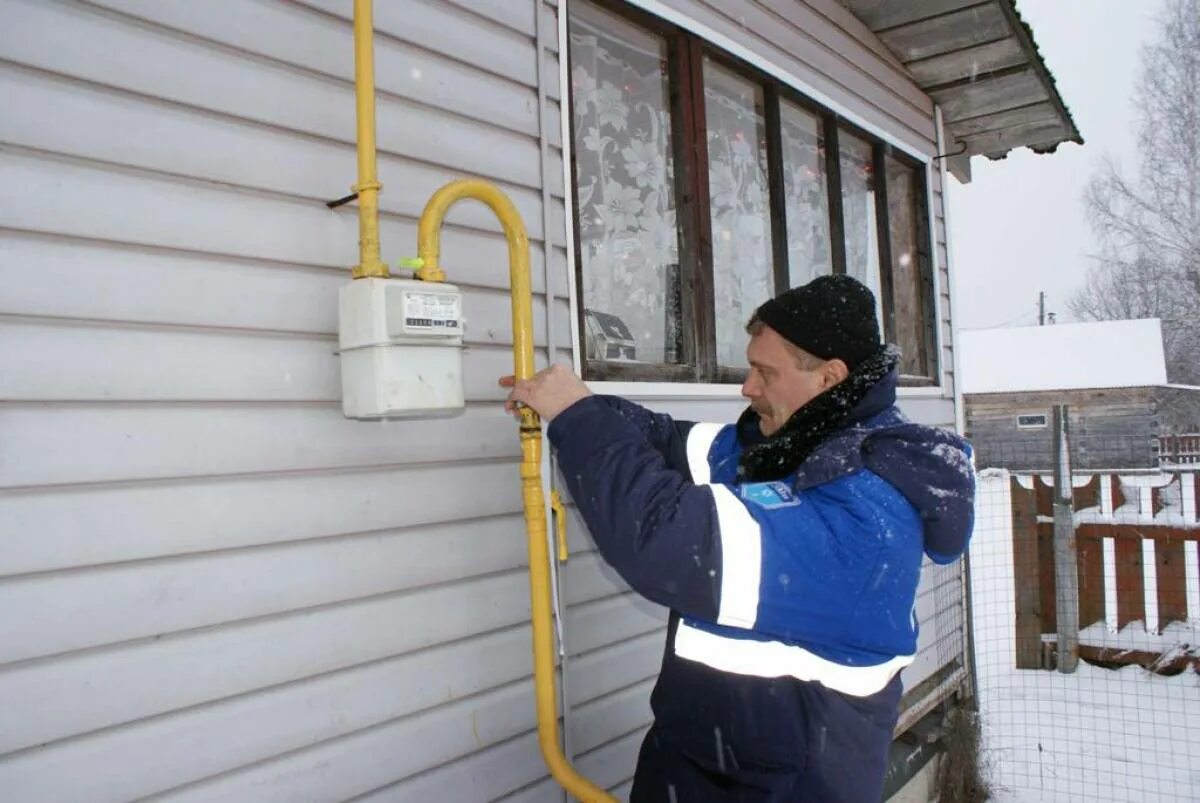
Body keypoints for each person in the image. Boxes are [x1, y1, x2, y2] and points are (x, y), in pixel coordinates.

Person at [501, 274, 974, 802]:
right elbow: (670, 442)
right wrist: (585, 406)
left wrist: (576, 417)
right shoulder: (791, 443)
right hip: (704, 769)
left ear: (829, 378)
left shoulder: (863, 519)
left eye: (764, 372)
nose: (748, 388)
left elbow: (662, 542)